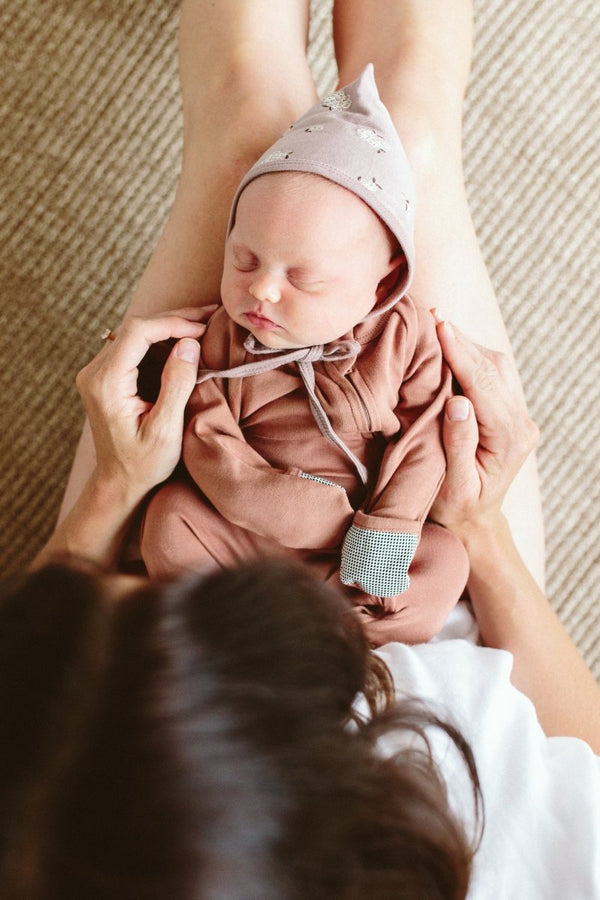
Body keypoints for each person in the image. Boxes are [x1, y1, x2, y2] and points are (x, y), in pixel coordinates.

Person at [23, 309, 600, 899]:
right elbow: (589, 753)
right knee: (357, 279)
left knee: (264, 277)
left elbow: (40, 688)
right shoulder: (512, 827)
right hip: (431, 590)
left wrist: (114, 489)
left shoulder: (43, 826)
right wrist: (482, 530)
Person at [138, 64, 469, 646]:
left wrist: (386, 529)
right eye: (243, 261)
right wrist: (294, 509)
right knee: (170, 518)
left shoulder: (403, 336)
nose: (261, 291)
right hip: (248, 534)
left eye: (305, 280)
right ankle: (228, 627)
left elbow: (424, 437)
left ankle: (353, 638)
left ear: (381, 285)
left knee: (445, 562)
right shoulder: (224, 339)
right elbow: (207, 437)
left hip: (361, 554)